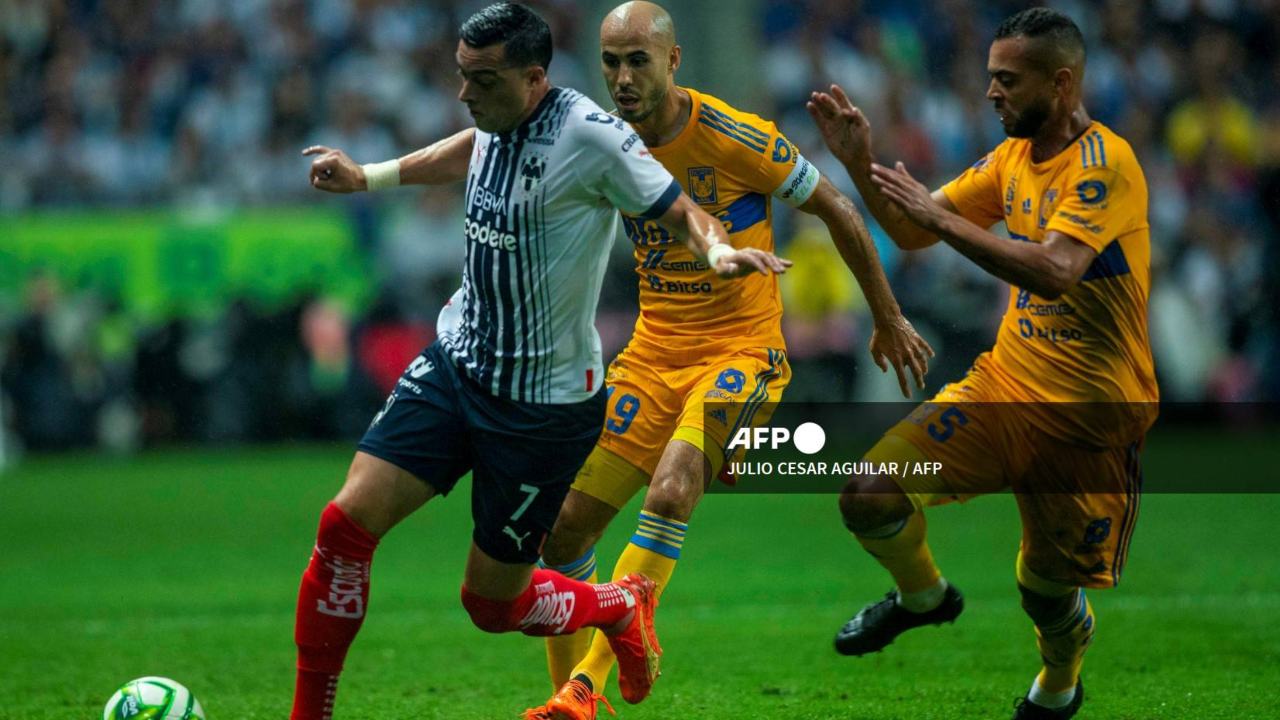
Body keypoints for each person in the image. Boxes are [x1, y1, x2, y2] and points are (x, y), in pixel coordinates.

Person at [290, 4, 791, 719]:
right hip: (459, 362)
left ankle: (616, 606)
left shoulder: (595, 137)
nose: (466, 94)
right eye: (462, 77)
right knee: (344, 526)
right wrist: (368, 177)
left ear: (534, 79)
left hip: (540, 408)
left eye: (483, 81)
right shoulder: (495, 118)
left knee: (491, 605)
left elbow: (679, 209)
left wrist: (716, 251)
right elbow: (471, 146)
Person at [522, 3, 934, 719]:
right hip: (652, 356)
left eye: (637, 61)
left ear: (673, 62)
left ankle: (584, 690)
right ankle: (576, 684)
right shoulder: (600, 139)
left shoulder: (731, 134)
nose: (621, 77)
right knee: (561, 530)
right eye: (610, 61)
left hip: (743, 350)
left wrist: (887, 315)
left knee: (672, 490)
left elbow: (836, 207)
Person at [807, 7, 1157, 719]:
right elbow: (910, 229)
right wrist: (856, 162)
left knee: (1045, 592)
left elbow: (1058, 270)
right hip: (1006, 387)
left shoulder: (1106, 164)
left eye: (1008, 79)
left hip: (1087, 422)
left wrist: (941, 221)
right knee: (869, 492)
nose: (991, 92)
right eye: (989, 77)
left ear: (1060, 84)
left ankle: (1059, 685)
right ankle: (924, 597)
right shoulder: (1009, 161)